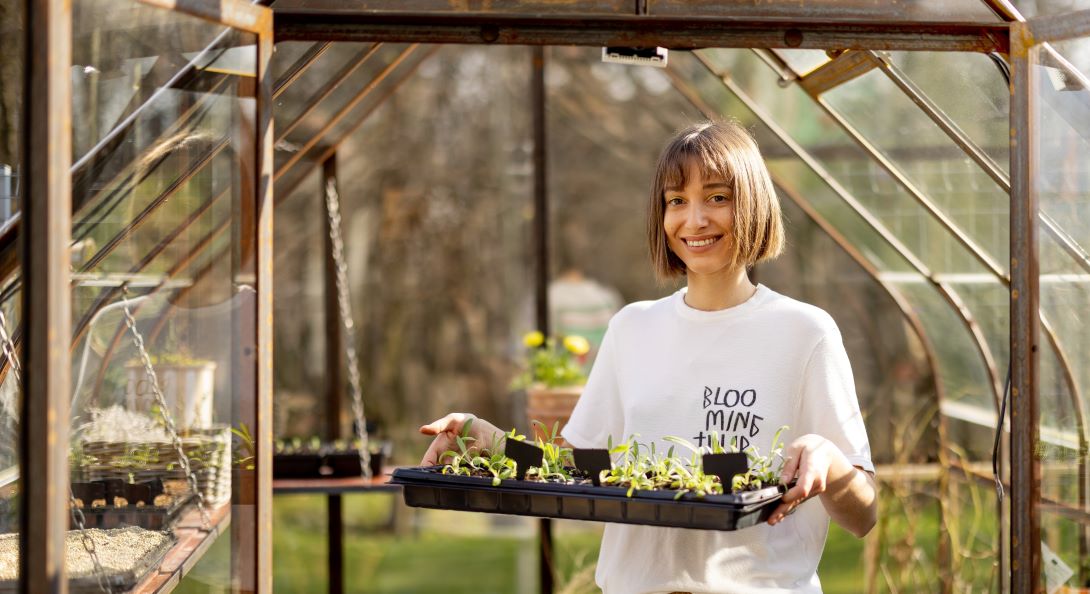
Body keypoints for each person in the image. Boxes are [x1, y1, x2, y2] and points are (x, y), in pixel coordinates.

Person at [420, 120, 877, 593]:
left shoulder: (804, 332)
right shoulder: (632, 328)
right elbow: (577, 471)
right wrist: (489, 442)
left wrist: (834, 464)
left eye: (717, 197)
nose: (694, 220)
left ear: (753, 204)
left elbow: (864, 515)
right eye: (676, 201)